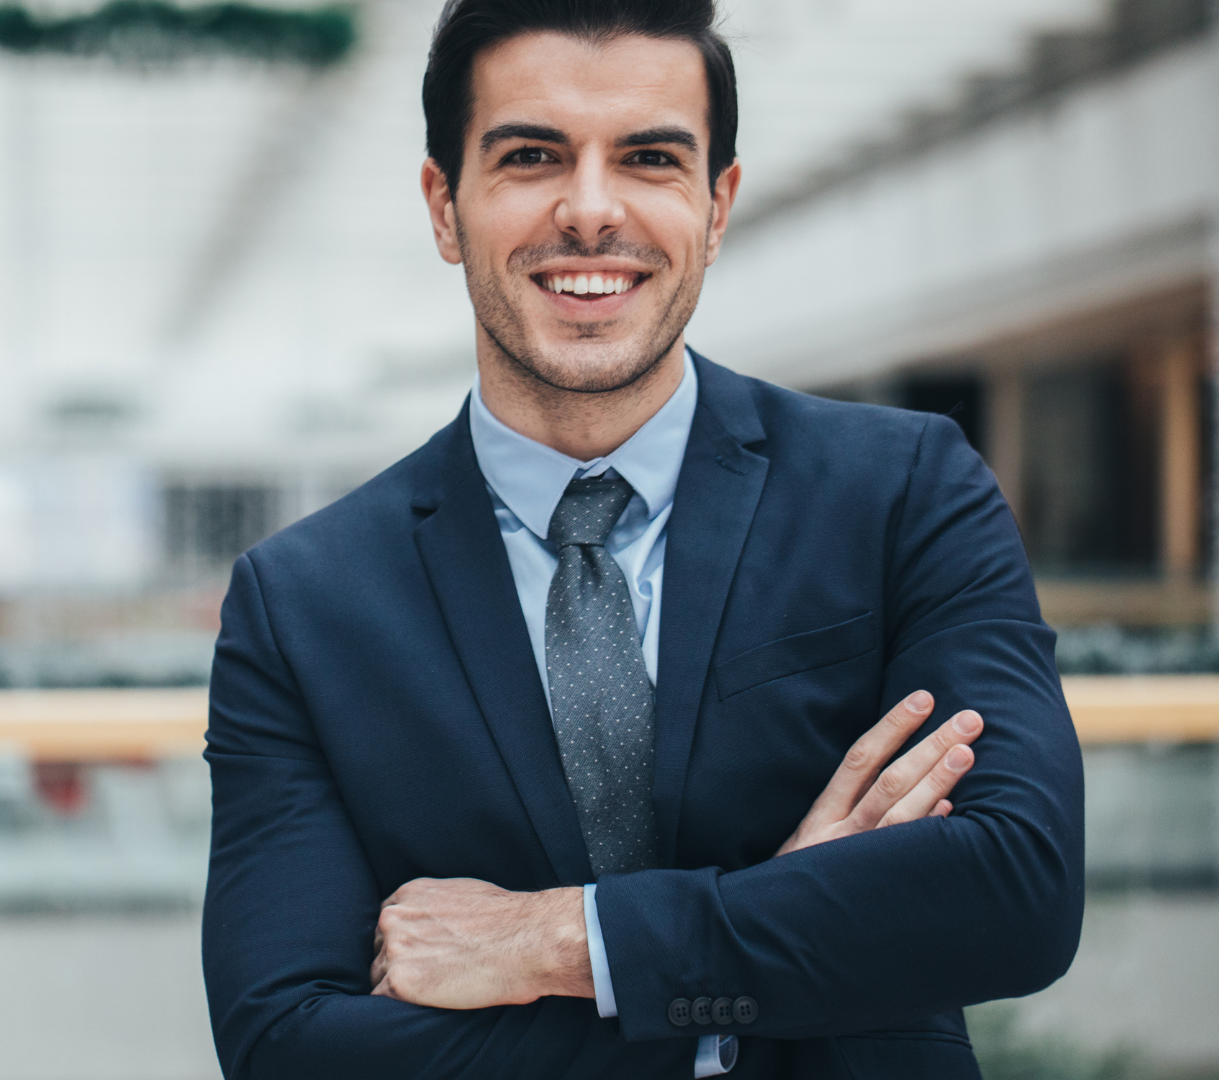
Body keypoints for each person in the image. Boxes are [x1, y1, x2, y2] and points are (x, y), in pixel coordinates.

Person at [199, 0, 1086, 1076]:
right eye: (530, 156)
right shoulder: (302, 605)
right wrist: (783, 934)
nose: (588, 210)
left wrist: (559, 942)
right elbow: (288, 1049)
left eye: (650, 158)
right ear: (444, 207)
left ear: (717, 207)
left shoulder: (903, 491)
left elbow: (1016, 890)